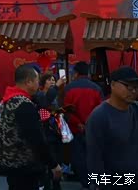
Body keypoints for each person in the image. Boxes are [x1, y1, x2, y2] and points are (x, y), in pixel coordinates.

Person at [0, 65, 62, 190]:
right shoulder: (24, 105)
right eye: (37, 80)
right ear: (28, 82)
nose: (38, 84)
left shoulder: (10, 98)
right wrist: (53, 164)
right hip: (24, 164)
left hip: (12, 162)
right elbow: (36, 138)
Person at [86, 67, 138, 190]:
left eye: (136, 87)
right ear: (113, 85)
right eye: (128, 86)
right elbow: (94, 158)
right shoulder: (99, 116)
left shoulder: (136, 110)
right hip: (114, 182)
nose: (133, 91)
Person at [62, 61, 103, 189]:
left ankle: (85, 183)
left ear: (76, 73)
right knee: (93, 157)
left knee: (78, 157)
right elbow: (100, 110)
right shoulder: (96, 88)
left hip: (75, 129)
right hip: (93, 130)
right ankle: (94, 182)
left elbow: (66, 111)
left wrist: (78, 123)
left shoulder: (69, 88)